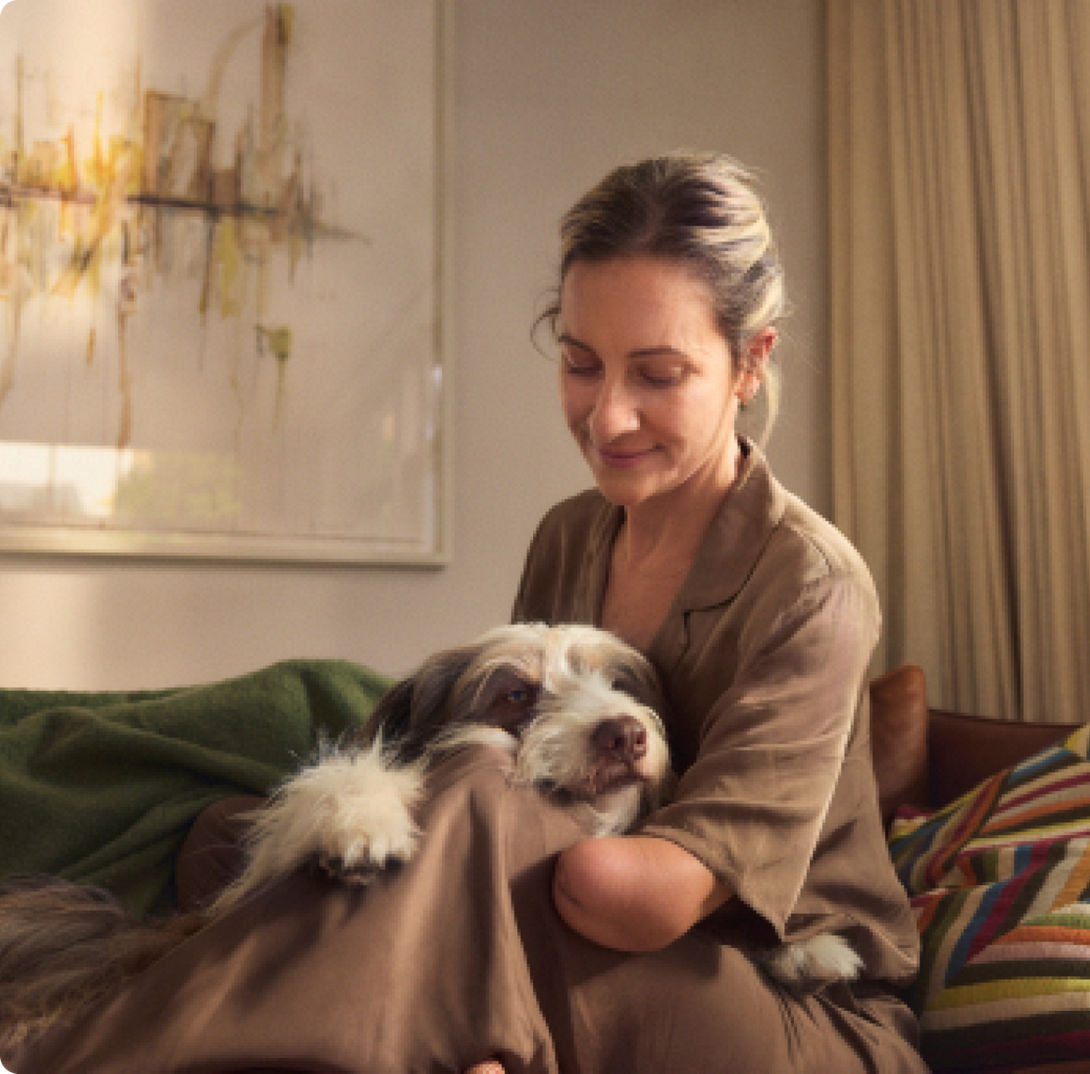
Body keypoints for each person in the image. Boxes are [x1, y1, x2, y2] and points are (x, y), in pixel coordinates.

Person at [12, 153, 925, 1074]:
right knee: (234, 839)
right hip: (555, 922)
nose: (609, 418)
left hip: (786, 1000)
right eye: (580, 364)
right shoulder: (571, 535)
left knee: (469, 802)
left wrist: (474, 851)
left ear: (750, 364)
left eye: (657, 374)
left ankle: (81, 1057)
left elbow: (624, 893)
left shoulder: (813, 586)